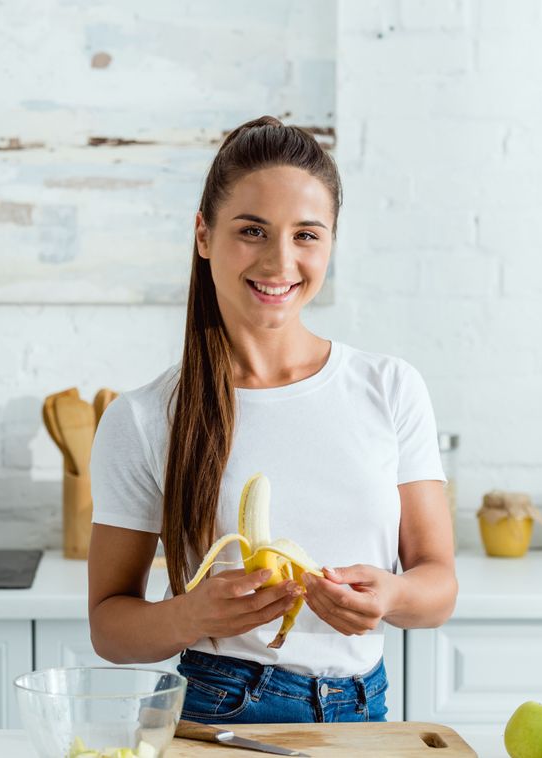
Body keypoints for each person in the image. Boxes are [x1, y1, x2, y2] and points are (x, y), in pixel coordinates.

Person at [87, 115, 457, 724]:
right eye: (252, 231)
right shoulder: (145, 417)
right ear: (203, 235)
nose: (280, 261)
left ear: (331, 241)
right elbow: (109, 626)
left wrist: (392, 595)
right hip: (222, 709)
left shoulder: (391, 388)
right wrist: (192, 614)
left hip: (365, 707)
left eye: (306, 235)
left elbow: (437, 585)